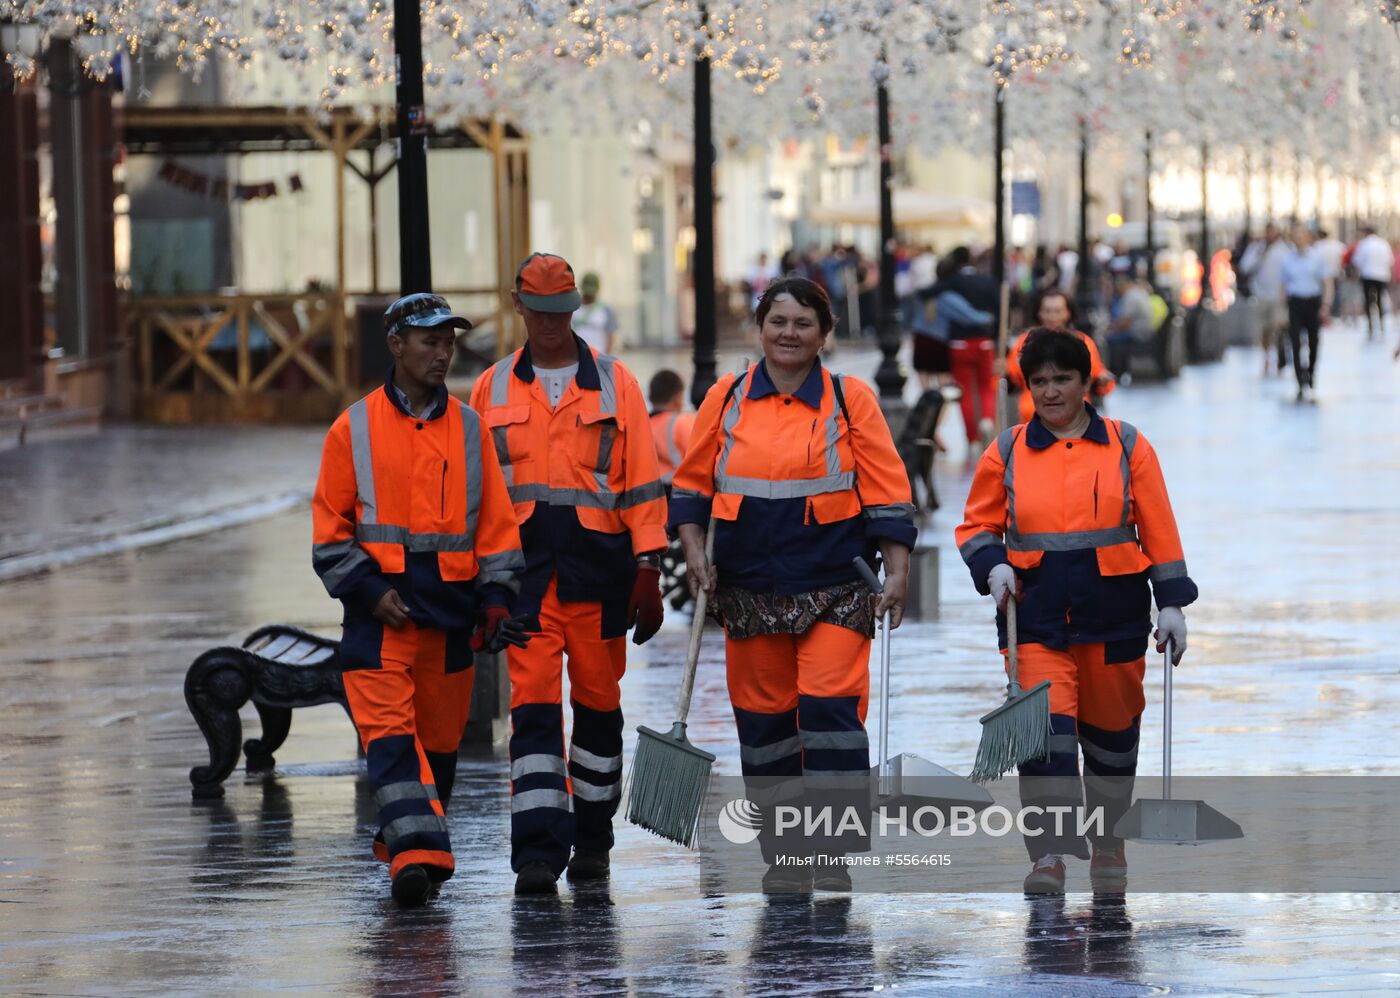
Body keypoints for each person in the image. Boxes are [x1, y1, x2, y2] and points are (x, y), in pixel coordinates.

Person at [670, 276, 917, 895]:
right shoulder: (726, 398)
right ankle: (784, 852)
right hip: (748, 589)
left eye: (803, 323)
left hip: (836, 585)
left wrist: (897, 570)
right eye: (778, 322)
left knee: (830, 713)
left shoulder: (850, 400)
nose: (789, 333)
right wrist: (694, 551)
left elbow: (886, 488)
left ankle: (831, 851)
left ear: (824, 334)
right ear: (760, 329)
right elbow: (692, 484)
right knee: (766, 725)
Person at [957, 328, 1197, 895]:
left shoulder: (1127, 446)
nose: (1050, 392)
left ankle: (1108, 841)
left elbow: (1159, 528)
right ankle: (1048, 856)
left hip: (1114, 619)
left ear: (1085, 382)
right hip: (1034, 619)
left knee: (1112, 741)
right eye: (1039, 381)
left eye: (1061, 379)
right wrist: (992, 565)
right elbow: (977, 525)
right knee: (1044, 740)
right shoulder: (1007, 450)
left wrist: (1172, 605)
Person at [312, 293, 529, 906]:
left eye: (448, 342)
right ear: (397, 345)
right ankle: (415, 856)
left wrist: (496, 599)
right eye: (430, 341)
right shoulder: (352, 428)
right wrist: (369, 590)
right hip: (378, 621)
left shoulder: (469, 429)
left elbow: (496, 527)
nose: (443, 353)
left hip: (451, 621)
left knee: (437, 749)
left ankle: (406, 843)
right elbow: (329, 533)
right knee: (390, 740)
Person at [469, 253, 668, 896]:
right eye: (540, 311)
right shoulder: (492, 388)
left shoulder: (616, 384)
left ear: (575, 308)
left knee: (599, 709)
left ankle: (593, 839)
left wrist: (648, 567)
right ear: (519, 306)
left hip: (600, 576)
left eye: (561, 311)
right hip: (523, 580)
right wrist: (480, 585)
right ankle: (536, 852)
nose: (551, 323)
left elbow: (641, 481)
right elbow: (478, 494)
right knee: (531, 712)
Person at [919, 246, 999, 446]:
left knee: (965, 391)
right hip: (985, 342)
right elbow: (999, 311)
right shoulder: (988, 281)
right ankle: (987, 420)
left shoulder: (953, 281)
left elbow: (925, 293)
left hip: (960, 344)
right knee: (987, 387)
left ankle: (972, 438)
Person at [1004, 288, 1114, 422]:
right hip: (1033, 416)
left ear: (1068, 313)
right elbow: (1012, 381)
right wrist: (1004, 373)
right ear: (1039, 313)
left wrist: (1102, 381)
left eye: (1057, 311)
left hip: (1074, 417)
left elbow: (1096, 379)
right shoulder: (1025, 343)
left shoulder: (1082, 342)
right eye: (1047, 311)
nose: (1052, 316)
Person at [1280, 227, 1330, 400]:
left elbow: (1327, 282)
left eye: (1302, 237)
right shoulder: (1288, 259)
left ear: (1308, 238)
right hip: (1295, 302)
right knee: (1295, 340)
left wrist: (1325, 305)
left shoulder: (1317, 258)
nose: (1299, 240)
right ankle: (1299, 378)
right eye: (1296, 237)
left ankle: (1311, 372)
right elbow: (1283, 285)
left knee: (1313, 340)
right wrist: (1282, 309)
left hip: (1313, 302)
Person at [1238, 224, 1292, 374]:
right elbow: (1244, 267)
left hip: (1278, 296)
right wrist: (1260, 255)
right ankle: (1267, 356)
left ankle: (1280, 355)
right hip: (1260, 294)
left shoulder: (1285, 249)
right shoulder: (1256, 248)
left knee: (1278, 326)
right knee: (1265, 328)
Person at [648, 368, 696, 490]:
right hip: (677, 489)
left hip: (647, 490)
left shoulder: (642, 424)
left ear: (650, 397)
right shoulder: (681, 422)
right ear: (677, 398)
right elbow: (698, 459)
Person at [1103, 274, 1155, 381]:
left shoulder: (1130, 297)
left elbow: (1125, 323)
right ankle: (1121, 371)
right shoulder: (1138, 293)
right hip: (1146, 331)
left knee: (1112, 339)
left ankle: (1116, 373)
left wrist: (1109, 329)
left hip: (1139, 333)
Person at [1352, 226, 1394, 341]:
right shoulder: (1383, 244)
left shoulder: (1364, 244)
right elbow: (1390, 260)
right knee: (1379, 300)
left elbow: (1357, 261)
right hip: (1382, 276)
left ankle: (1370, 325)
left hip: (1368, 275)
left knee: (1368, 301)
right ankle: (1381, 324)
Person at [574, 272, 619, 355]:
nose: (589, 295)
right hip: (576, 356)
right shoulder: (573, 308)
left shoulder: (606, 309)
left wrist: (606, 357)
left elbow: (610, 336)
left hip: (598, 357)